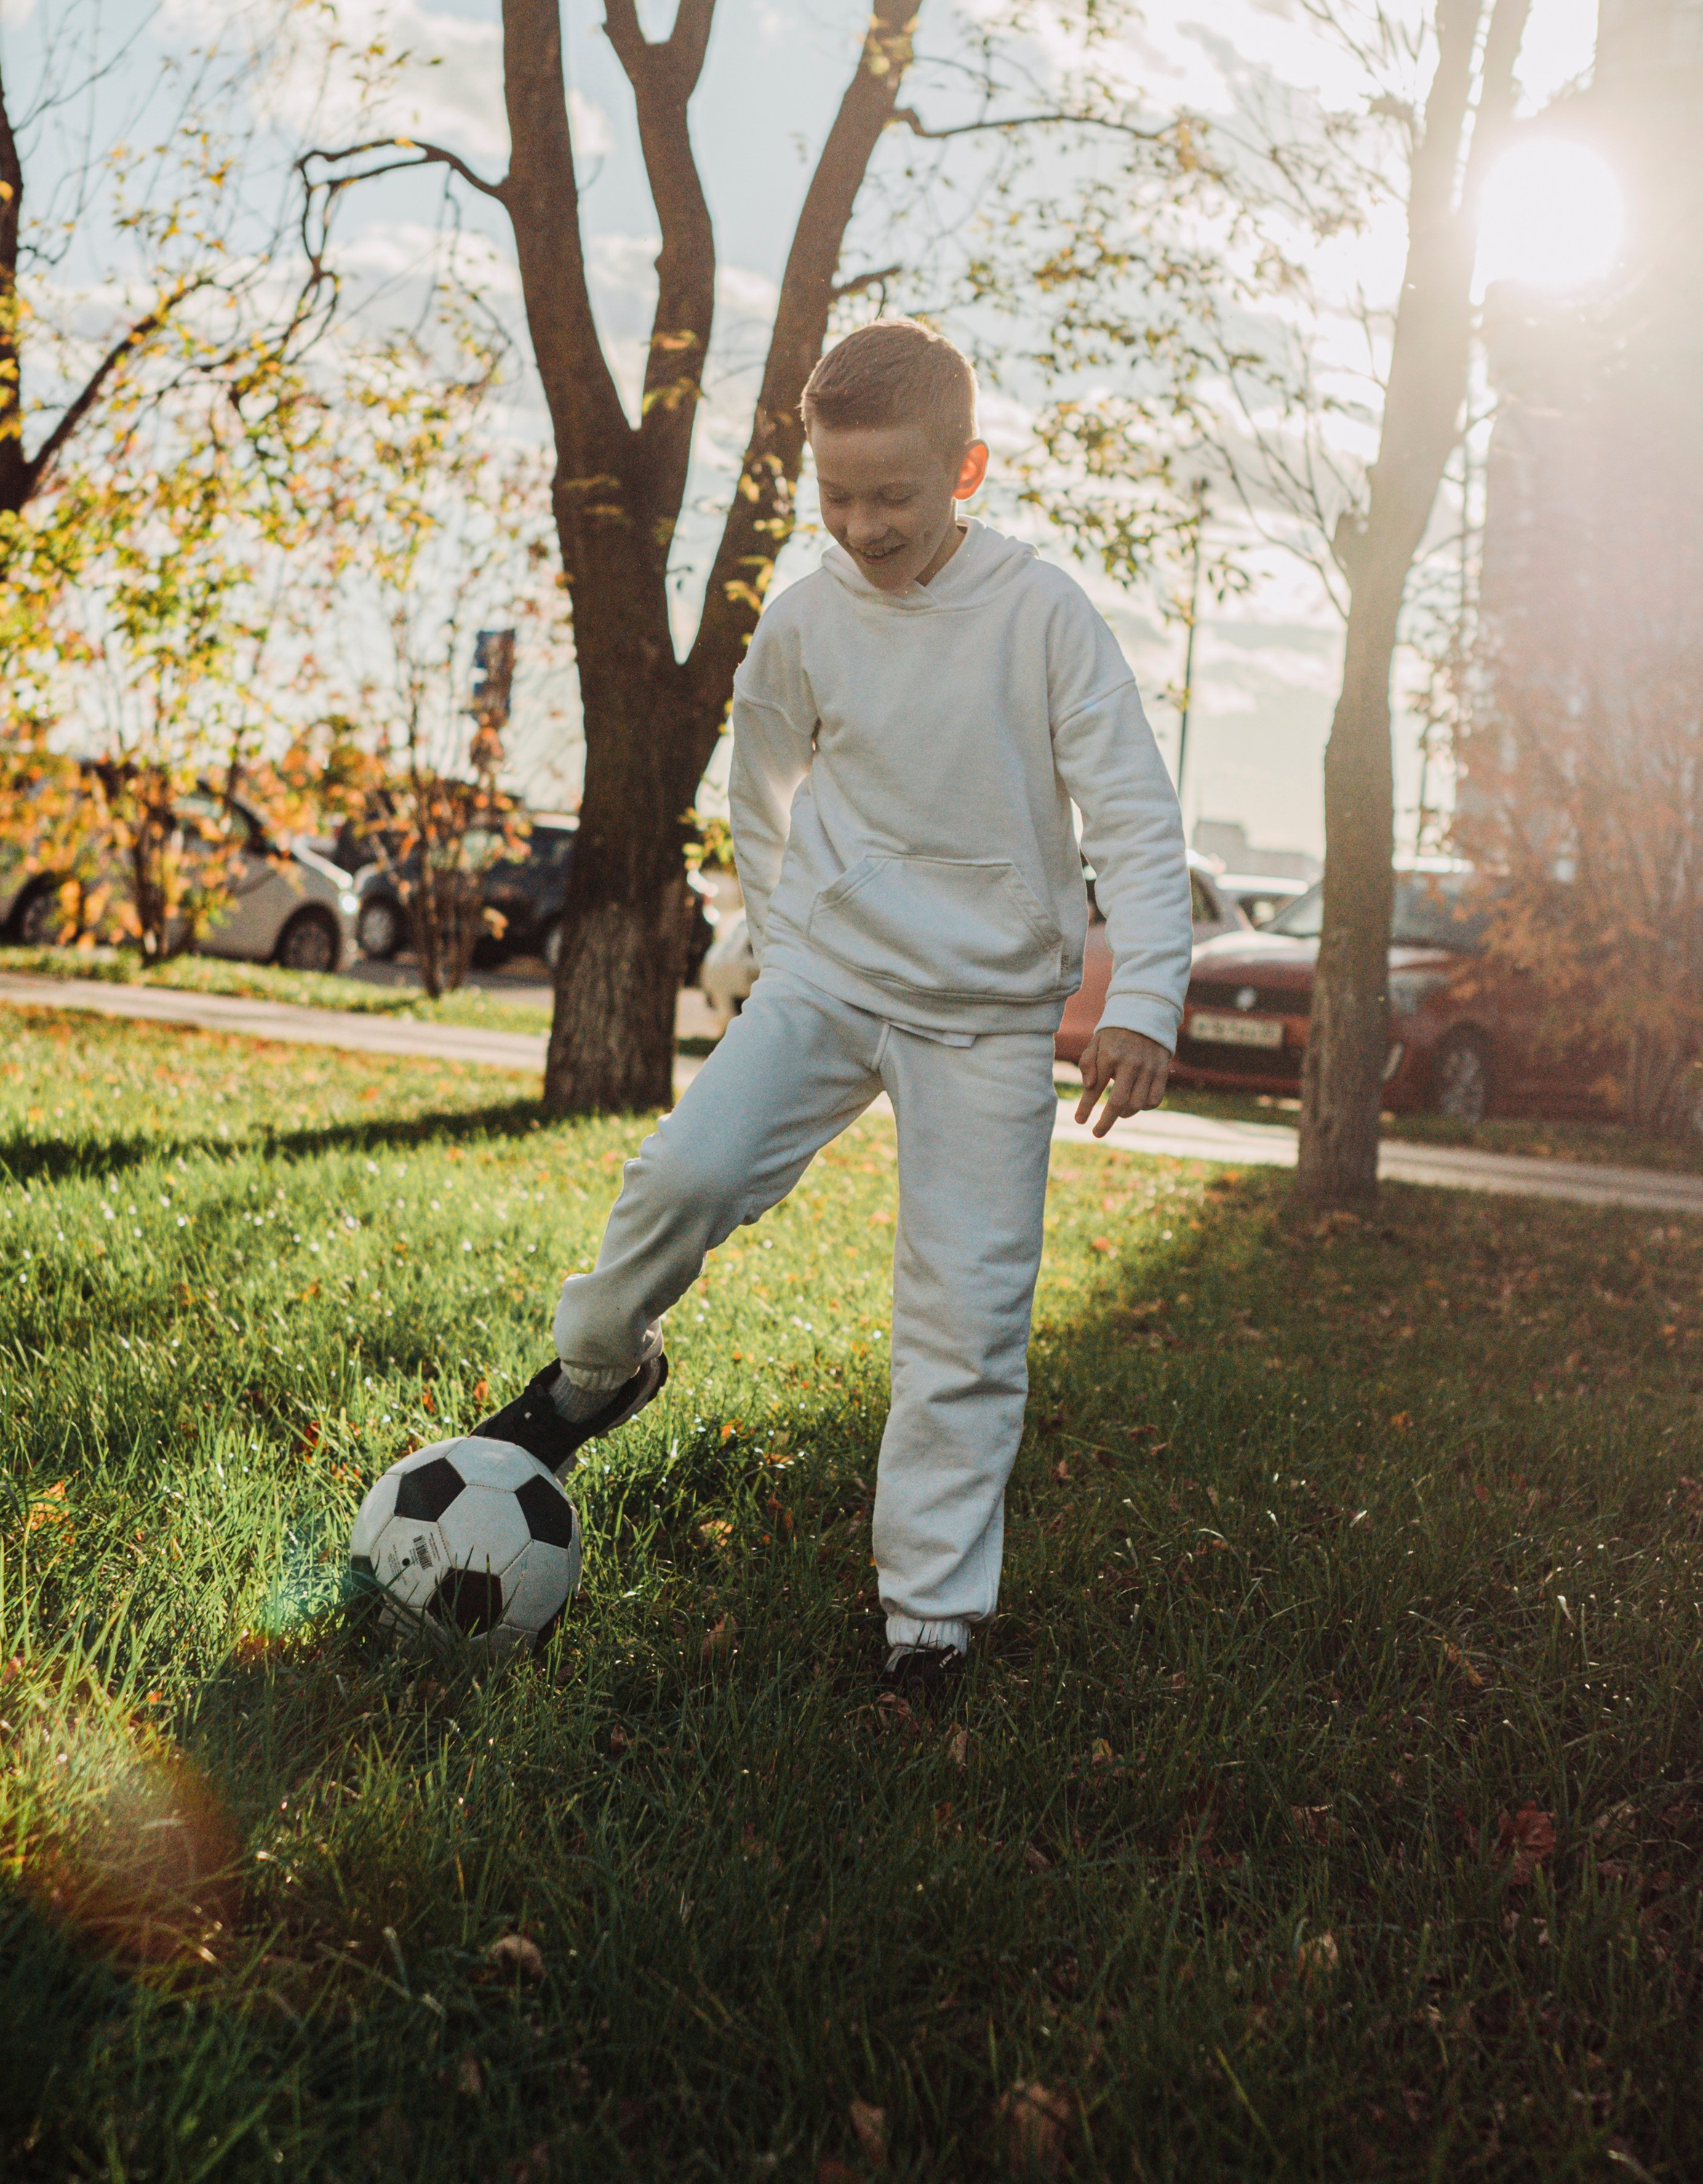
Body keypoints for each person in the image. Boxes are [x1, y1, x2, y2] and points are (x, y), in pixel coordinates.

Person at [477, 318, 1192, 1703]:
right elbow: (763, 782)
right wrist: (784, 936)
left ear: (966, 468)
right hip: (831, 981)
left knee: (964, 1320)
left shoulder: (1041, 617)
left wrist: (1145, 999)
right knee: (680, 1171)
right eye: (838, 497)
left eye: (895, 499)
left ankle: (928, 1625)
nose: (862, 526)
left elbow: (1140, 823)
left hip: (987, 1020)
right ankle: (591, 1373)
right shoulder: (805, 619)